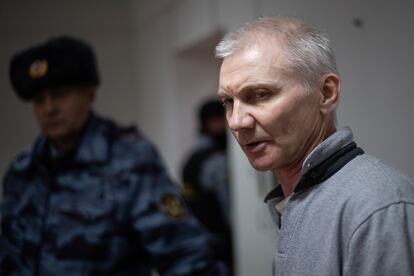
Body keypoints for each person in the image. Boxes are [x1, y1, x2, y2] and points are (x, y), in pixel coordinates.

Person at [0, 36, 227, 275]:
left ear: (90, 94)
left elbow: (186, 257)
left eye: (60, 94)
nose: (49, 108)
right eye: (39, 100)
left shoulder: (129, 161)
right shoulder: (22, 171)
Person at [216, 16, 414, 275]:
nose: (237, 122)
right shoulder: (300, 198)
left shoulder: (378, 207)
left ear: (326, 93)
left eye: (260, 94)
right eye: (228, 102)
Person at [181, 99, 232, 272]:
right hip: (219, 247)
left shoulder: (190, 159)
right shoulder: (216, 161)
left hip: (196, 244)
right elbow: (230, 213)